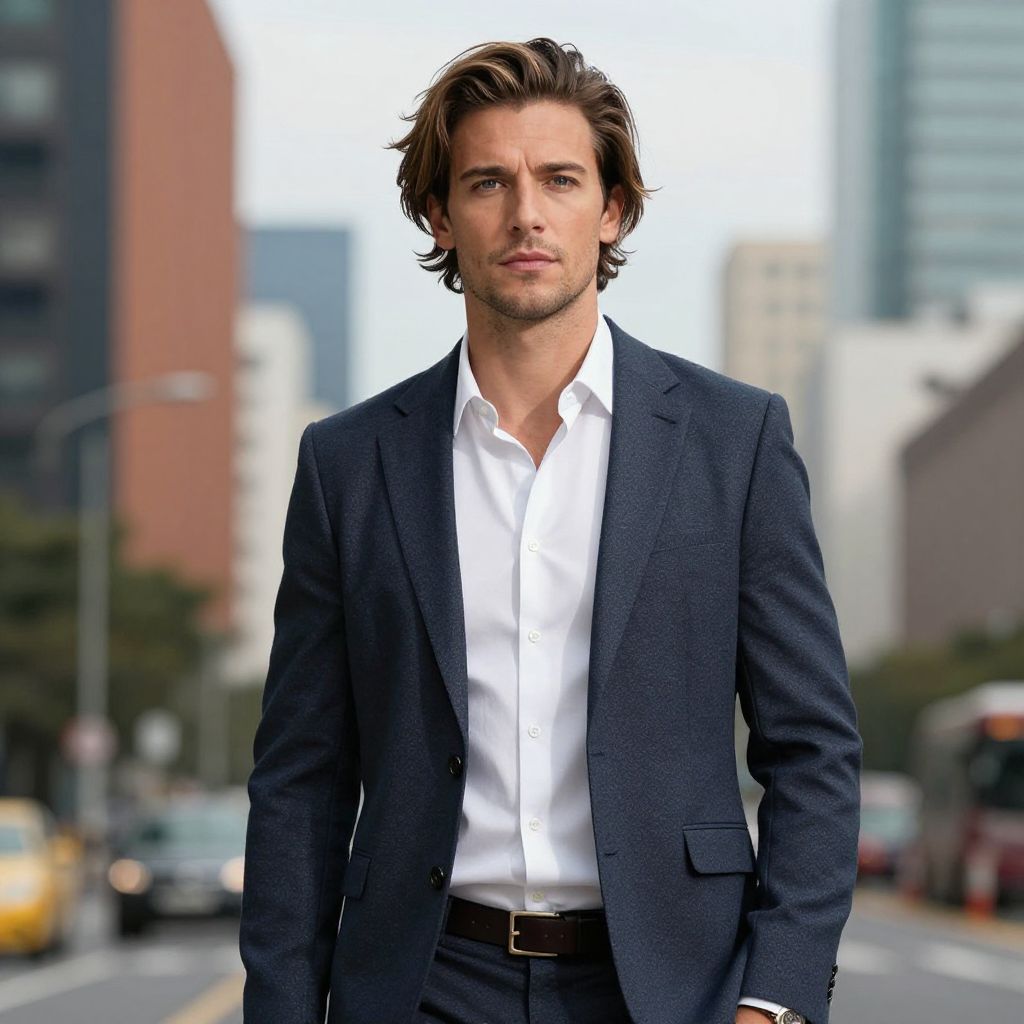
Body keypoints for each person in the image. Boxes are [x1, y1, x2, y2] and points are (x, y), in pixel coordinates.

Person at [239, 37, 862, 1024]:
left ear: (610, 209)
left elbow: (812, 746)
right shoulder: (347, 464)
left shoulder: (733, 441)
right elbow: (301, 780)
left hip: (667, 985)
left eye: (560, 179)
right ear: (439, 216)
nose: (526, 213)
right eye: (487, 182)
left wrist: (774, 999)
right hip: (422, 983)